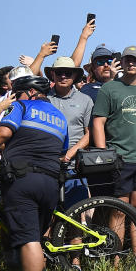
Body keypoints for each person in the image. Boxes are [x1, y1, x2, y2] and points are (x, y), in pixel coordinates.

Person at [0, 74, 68, 271]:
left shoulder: (21, 106)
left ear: (29, 93)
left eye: (17, 93)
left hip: (23, 179)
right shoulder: (60, 116)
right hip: (50, 182)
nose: (14, 98)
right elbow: (61, 150)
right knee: (35, 235)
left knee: (29, 238)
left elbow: (3, 133)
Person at [91, 46, 136, 230]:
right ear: (121, 62)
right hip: (118, 158)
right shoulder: (109, 88)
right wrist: (103, 154)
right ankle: (116, 257)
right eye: (127, 60)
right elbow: (98, 122)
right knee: (118, 209)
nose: (131, 63)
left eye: (135, 60)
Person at [44, 57, 94, 208]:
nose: (63, 76)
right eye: (59, 72)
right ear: (53, 74)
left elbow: (90, 133)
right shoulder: (43, 98)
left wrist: (69, 154)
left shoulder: (85, 100)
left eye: (67, 72)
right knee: (47, 215)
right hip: (47, 165)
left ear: (74, 76)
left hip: (74, 167)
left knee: (74, 216)